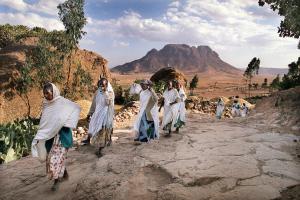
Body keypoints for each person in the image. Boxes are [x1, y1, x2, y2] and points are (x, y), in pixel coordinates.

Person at [31, 82, 81, 191]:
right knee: (53, 159)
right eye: (44, 94)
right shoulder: (46, 105)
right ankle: (63, 173)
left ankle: (56, 181)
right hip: (51, 138)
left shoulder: (62, 103)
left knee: (54, 160)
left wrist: (67, 122)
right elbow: (45, 121)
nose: (46, 96)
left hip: (62, 137)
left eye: (48, 93)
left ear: (53, 92)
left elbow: (75, 108)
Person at [82, 78, 114, 157]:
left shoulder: (110, 93)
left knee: (102, 130)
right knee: (92, 126)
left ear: (106, 85)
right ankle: (88, 139)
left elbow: (108, 103)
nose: (101, 87)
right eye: (100, 85)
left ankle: (100, 149)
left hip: (105, 114)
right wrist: (90, 113)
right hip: (97, 113)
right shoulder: (97, 92)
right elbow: (94, 103)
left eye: (102, 85)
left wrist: (105, 92)